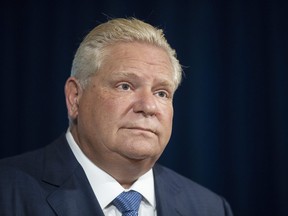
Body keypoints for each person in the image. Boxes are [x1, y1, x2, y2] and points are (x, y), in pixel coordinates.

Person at [0, 17, 233, 216]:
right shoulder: (8, 192)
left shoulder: (210, 208)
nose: (148, 106)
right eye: (125, 86)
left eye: (161, 92)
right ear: (75, 98)